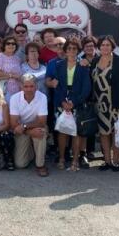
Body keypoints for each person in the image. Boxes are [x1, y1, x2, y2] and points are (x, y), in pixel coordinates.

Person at [49, 38, 91, 171]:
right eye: (69, 49)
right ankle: (61, 158)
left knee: (76, 132)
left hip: (76, 102)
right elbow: (56, 85)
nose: (71, 51)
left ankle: (75, 160)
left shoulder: (83, 66)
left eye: (74, 49)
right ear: (65, 50)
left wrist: (75, 102)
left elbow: (86, 88)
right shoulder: (59, 65)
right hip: (62, 101)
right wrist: (63, 101)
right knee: (62, 132)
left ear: (78, 51)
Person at [90, 35, 119, 171]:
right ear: (99, 47)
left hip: (116, 103)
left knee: (116, 132)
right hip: (99, 105)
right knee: (103, 133)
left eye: (108, 45)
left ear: (112, 47)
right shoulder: (94, 61)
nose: (105, 47)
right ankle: (107, 161)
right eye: (102, 45)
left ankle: (116, 161)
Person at [9, 74, 49, 177]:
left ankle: (40, 165)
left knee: (41, 133)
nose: (29, 89)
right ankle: (32, 149)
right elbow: (13, 123)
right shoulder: (14, 98)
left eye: (31, 86)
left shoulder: (42, 97)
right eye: (26, 86)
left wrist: (25, 126)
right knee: (20, 164)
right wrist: (28, 131)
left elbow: (42, 121)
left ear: (36, 86)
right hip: (21, 129)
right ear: (21, 87)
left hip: (33, 127)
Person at [0, 36, 23, 103]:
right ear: (4, 45)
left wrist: (5, 76)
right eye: (8, 43)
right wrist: (12, 76)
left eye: (13, 44)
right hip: (4, 91)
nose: (11, 45)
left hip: (18, 91)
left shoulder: (18, 59)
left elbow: (19, 76)